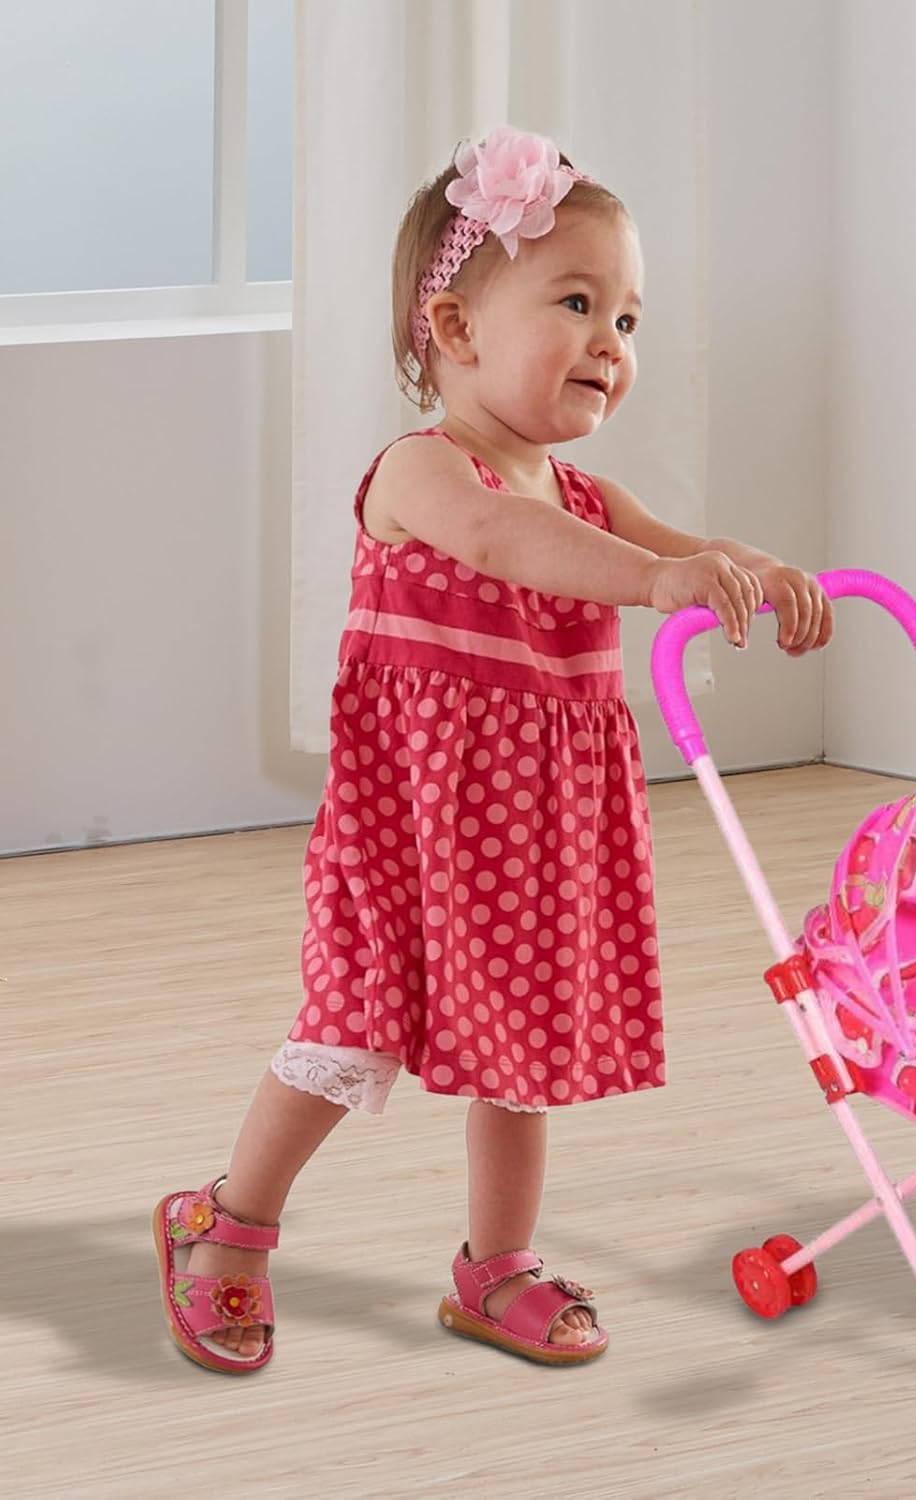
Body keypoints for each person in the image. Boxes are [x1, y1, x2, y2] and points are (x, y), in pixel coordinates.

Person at [152, 124, 834, 1373]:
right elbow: (502, 543)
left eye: (627, 319)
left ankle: (497, 1265)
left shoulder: (589, 500)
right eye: (576, 304)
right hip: (411, 828)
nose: (611, 342)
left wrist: (750, 567)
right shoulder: (423, 473)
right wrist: (659, 579)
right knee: (351, 1029)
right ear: (455, 328)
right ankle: (227, 1224)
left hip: (538, 827)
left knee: (522, 1052)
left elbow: (676, 548)